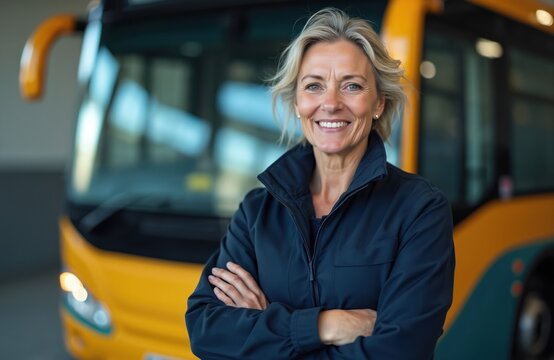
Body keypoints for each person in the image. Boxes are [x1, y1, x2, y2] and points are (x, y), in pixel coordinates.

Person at [185, 7, 455, 359]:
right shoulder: (256, 212)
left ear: (378, 103)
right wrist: (323, 325)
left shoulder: (420, 210)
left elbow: (399, 351)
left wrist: (265, 325)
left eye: (352, 86)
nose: (330, 103)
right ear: (297, 102)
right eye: (314, 86)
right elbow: (206, 330)